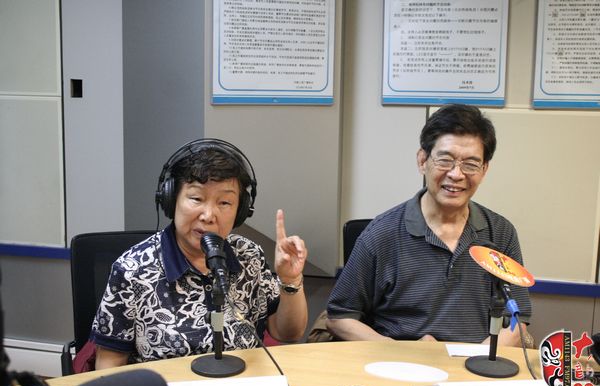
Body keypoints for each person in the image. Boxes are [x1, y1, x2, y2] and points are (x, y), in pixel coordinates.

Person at [326, 104, 532, 347]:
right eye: (445, 160)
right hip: (398, 361)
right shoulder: (381, 234)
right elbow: (339, 318)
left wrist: (475, 359)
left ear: (484, 169)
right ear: (422, 160)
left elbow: (517, 320)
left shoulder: (501, 233)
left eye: (470, 164)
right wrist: (401, 351)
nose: (456, 174)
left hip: (475, 362)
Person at [92, 138, 308, 369]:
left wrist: (290, 279)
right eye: (196, 198)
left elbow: (287, 333)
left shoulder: (249, 255)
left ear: (241, 210)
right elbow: (109, 364)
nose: (208, 215)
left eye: (224, 202)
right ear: (171, 199)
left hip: (242, 384)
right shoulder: (132, 270)